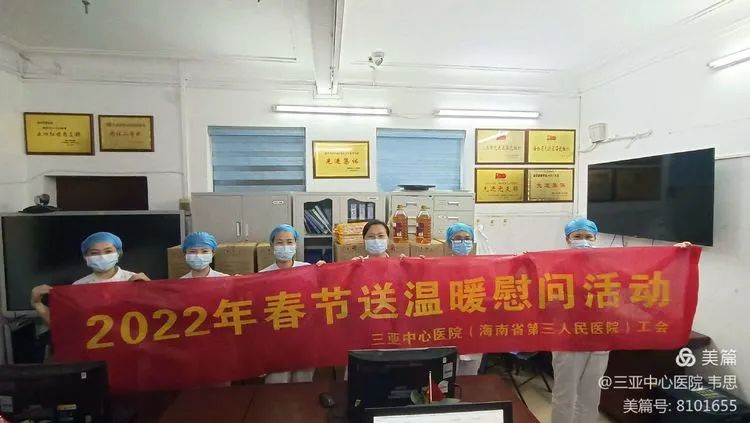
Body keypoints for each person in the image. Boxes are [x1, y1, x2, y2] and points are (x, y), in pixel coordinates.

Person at [551, 217, 608, 423]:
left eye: (588, 236)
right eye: (577, 236)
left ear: (595, 238)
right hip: (568, 336)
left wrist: (677, 252)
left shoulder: (607, 264)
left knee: (591, 396)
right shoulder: (556, 265)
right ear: (568, 239)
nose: (583, 240)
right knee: (564, 395)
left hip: (599, 335)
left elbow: (641, 270)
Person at [30, 231, 150, 324]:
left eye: (108, 251)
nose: (102, 256)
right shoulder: (78, 287)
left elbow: (153, 317)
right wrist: (38, 304)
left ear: (118, 253)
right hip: (93, 346)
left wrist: (150, 290)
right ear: (85, 257)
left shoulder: (136, 280)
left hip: (131, 344)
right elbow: (65, 326)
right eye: (94, 253)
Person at [259, 224, 316, 383]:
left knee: (303, 383)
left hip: (303, 338)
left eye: (289, 242)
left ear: (296, 244)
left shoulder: (308, 270)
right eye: (279, 242)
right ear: (271, 245)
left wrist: (324, 271)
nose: (285, 246)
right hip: (276, 342)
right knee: (277, 384)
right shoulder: (261, 277)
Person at [445, 223, 483, 376]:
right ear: (449, 243)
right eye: (458, 238)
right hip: (447, 331)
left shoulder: (482, 267)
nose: (463, 242)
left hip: (473, 331)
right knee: (446, 376)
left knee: (469, 379)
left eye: (467, 238)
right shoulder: (439, 267)